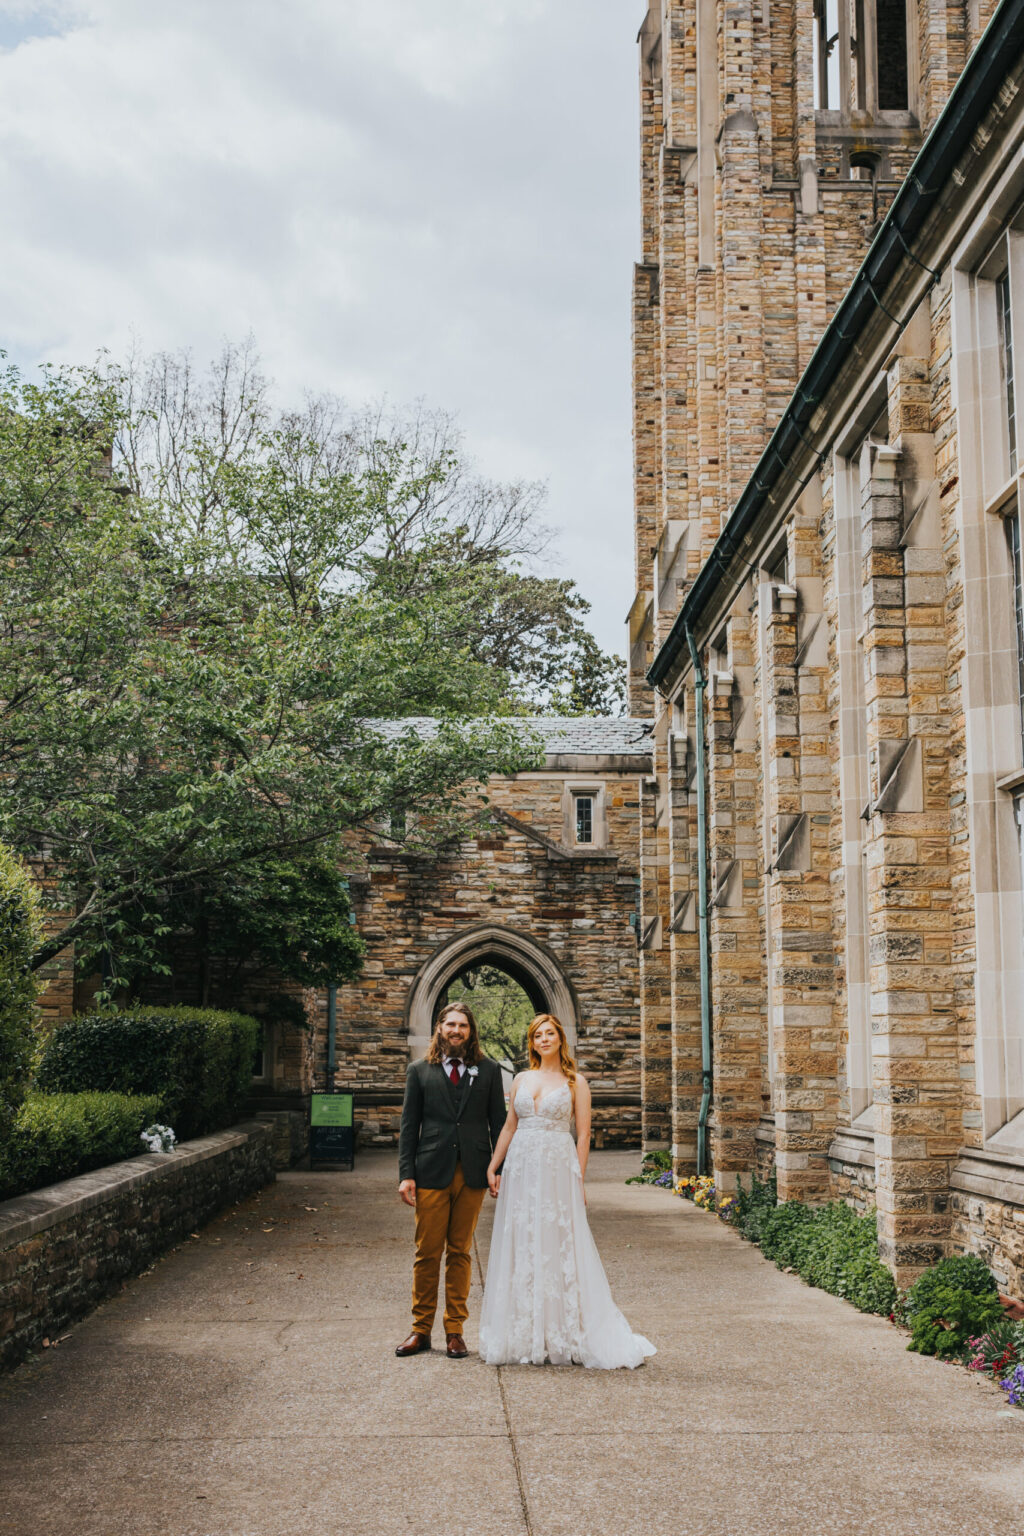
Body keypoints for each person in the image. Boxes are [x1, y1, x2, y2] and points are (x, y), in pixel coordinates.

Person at [478, 1013, 655, 1369]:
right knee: (524, 1239)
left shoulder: (576, 1082)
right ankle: (527, 1331)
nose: (544, 1039)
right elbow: (510, 1127)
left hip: (558, 1168)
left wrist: (579, 1180)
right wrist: (494, 1165)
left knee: (558, 1239)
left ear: (560, 1039)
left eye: (549, 1034)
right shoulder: (522, 1079)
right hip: (522, 1166)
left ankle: (564, 1328)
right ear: (532, 1042)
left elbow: (585, 1135)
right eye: (537, 1035)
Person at [395, 1002, 506, 1359]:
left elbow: (499, 1125)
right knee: (427, 1252)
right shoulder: (419, 1071)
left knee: (460, 1252)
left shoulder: (488, 1071)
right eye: (450, 1024)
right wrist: (406, 1175)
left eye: (463, 1025)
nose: (456, 1030)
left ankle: (455, 1330)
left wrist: (499, 1170)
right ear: (440, 1028)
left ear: (471, 1031)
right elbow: (409, 1127)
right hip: (430, 1171)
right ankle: (420, 1330)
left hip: (473, 1173)